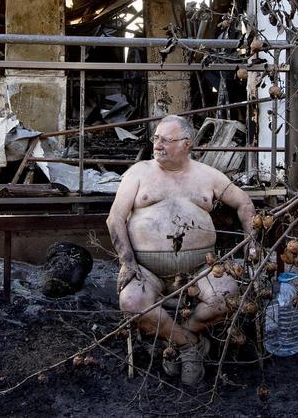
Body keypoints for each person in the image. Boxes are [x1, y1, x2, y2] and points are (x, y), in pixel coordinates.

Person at [106, 114, 256, 385]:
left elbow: (244, 203)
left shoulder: (207, 175)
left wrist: (252, 241)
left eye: (166, 140)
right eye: (156, 139)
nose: (158, 145)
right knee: (131, 303)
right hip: (146, 269)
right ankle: (188, 345)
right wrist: (127, 263)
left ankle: (181, 337)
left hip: (200, 269)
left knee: (227, 297)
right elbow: (115, 218)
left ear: (187, 144)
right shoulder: (139, 172)